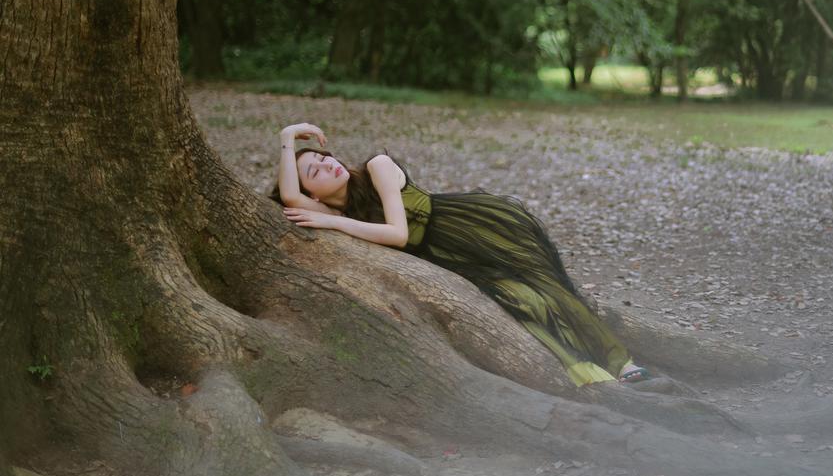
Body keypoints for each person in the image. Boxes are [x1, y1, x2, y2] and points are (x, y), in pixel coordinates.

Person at [271, 122, 650, 386]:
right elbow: (288, 195)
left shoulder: (376, 168)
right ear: (313, 194)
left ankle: (621, 362)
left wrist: (333, 221)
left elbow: (398, 234)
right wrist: (287, 139)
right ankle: (586, 373)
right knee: (519, 301)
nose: (328, 163)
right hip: (444, 261)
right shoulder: (340, 210)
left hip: (469, 232)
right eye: (315, 171)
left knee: (547, 287)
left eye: (324, 157)